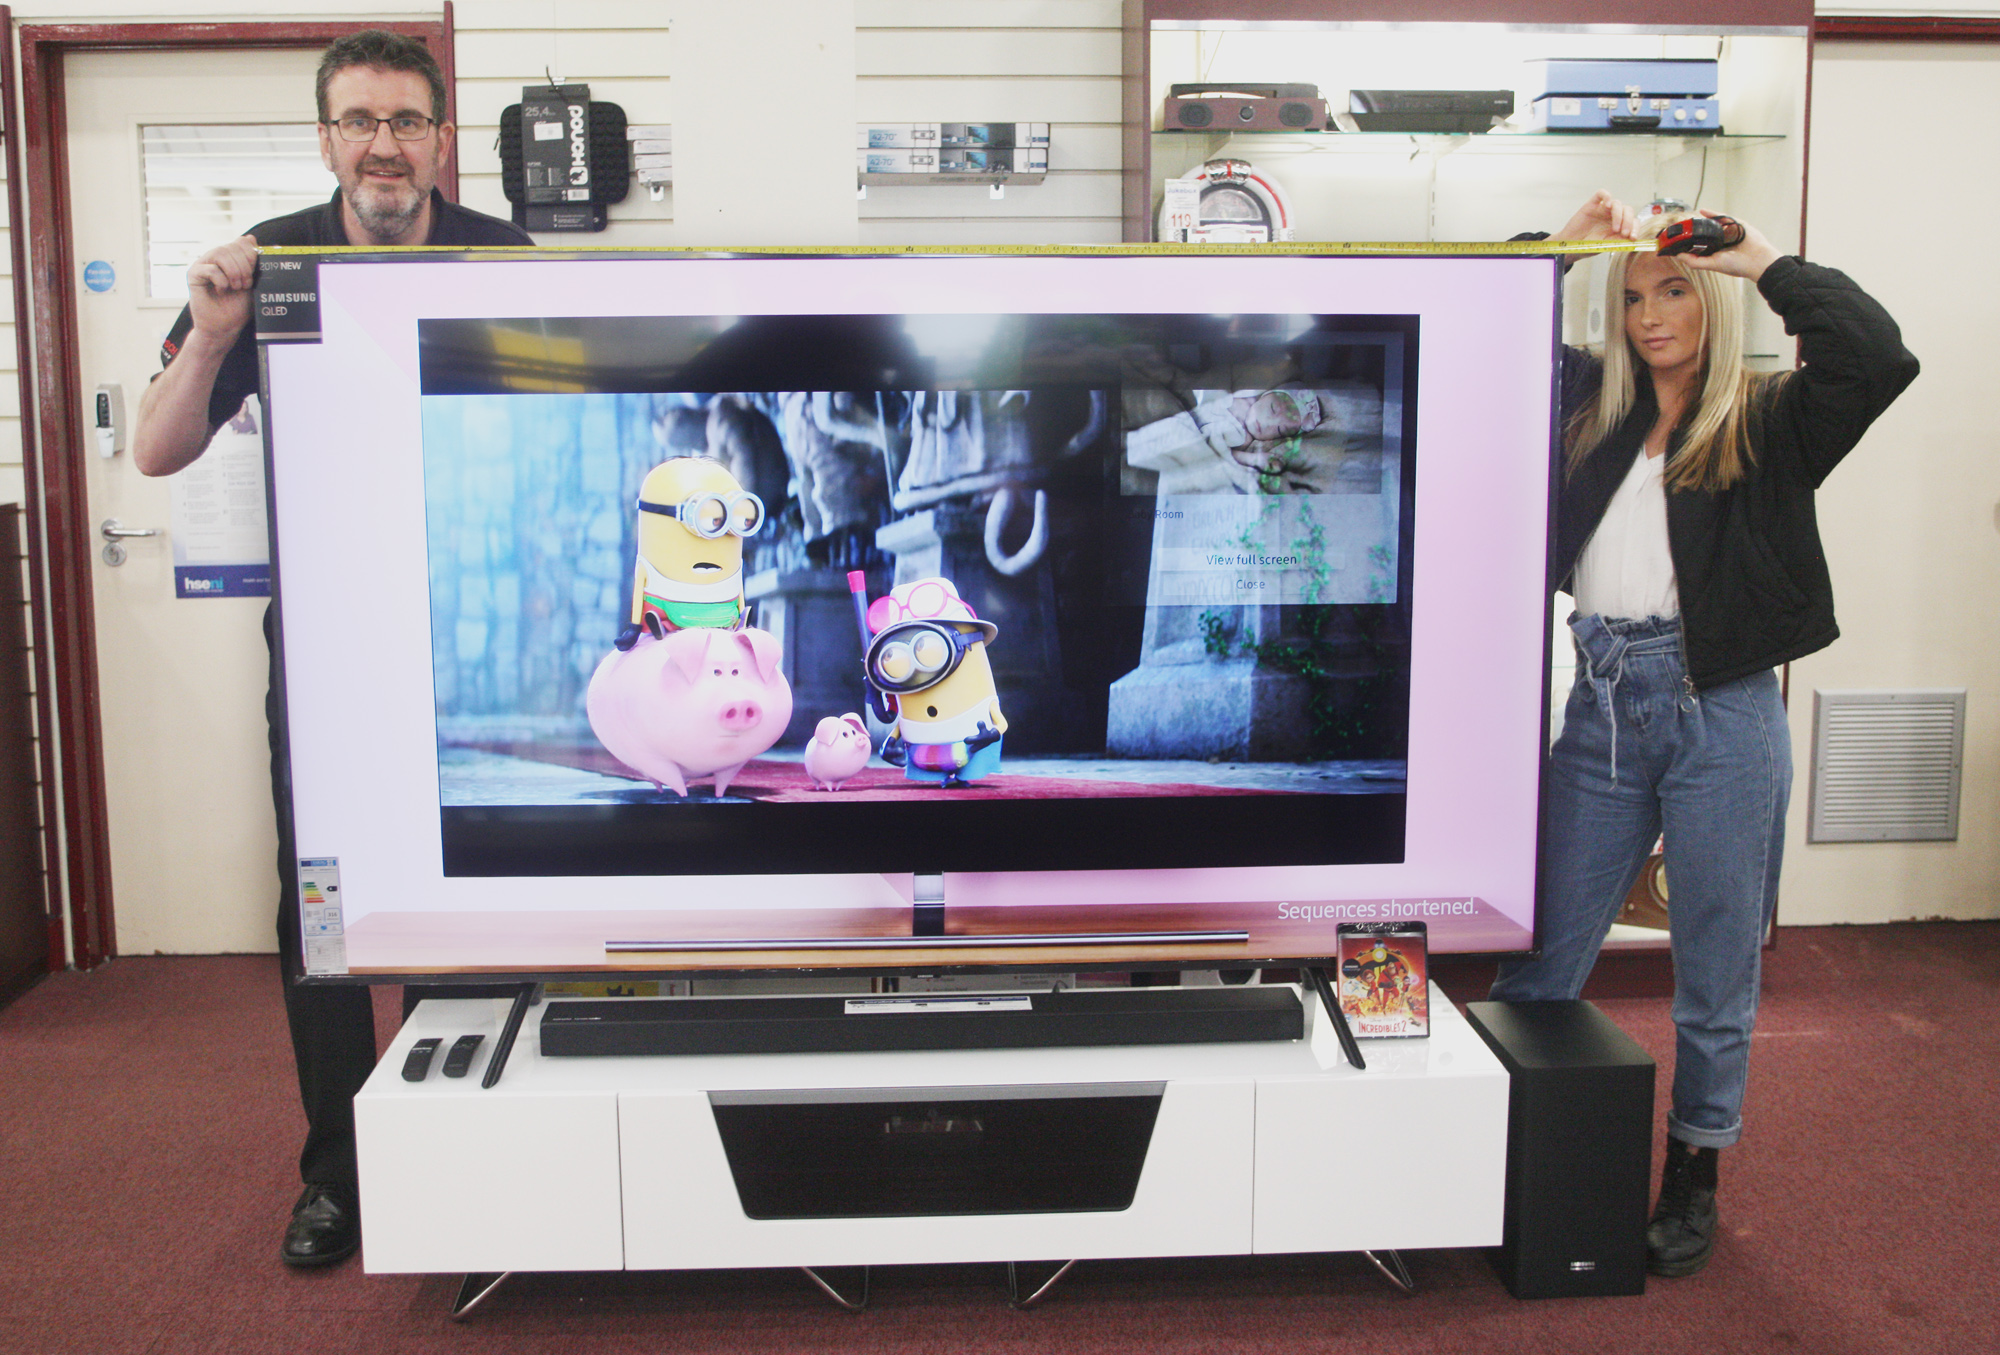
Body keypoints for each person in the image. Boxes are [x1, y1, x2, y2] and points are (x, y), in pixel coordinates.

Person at [132, 30, 534, 1268]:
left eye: (406, 121)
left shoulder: (500, 260)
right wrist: (209, 334)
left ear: (440, 138)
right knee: (323, 910)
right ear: (325, 137)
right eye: (358, 120)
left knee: (468, 895)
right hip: (320, 651)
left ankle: (451, 1151)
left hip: (469, 642)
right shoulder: (266, 266)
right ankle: (339, 1173)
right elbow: (154, 453)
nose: (383, 144)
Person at [1491, 192, 1918, 1278]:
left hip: (1720, 712)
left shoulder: (1770, 420)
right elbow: (1483, 316)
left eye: (1672, 289)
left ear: (1712, 299)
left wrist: (1755, 259)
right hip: (1600, 708)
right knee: (1537, 947)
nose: (1648, 316)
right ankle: (1496, 1146)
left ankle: (1692, 1166)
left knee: (1713, 972)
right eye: (1630, 296)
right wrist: (1562, 241)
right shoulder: (1592, 405)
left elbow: (1873, 353)